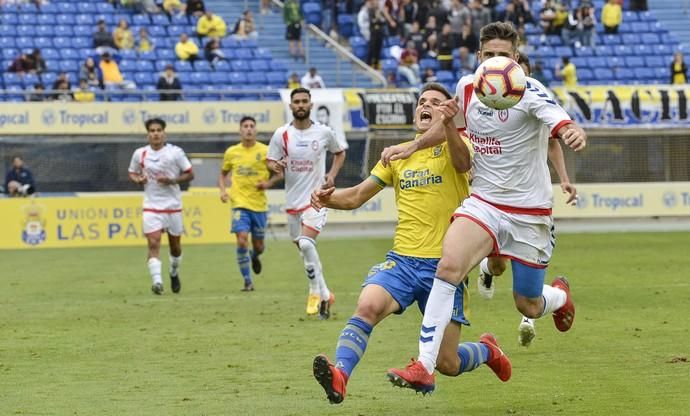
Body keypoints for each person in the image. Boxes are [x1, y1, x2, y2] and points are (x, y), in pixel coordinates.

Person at [381, 21, 586, 393]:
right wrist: (411, 146)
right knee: (449, 267)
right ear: (478, 57)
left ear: (517, 60)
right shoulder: (465, 87)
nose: (494, 63)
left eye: (503, 56)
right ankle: (424, 366)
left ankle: (558, 298)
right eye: (488, 55)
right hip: (485, 202)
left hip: (529, 213)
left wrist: (571, 130)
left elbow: (558, 122)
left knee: (527, 304)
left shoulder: (532, 92)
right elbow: (449, 125)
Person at [311, 83, 511, 404]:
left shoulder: (459, 144)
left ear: (448, 111)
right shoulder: (398, 155)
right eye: (421, 102)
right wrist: (327, 199)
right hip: (402, 261)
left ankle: (488, 350)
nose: (425, 106)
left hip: (446, 267)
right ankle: (340, 375)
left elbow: (462, 165)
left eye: (435, 102)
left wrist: (448, 125)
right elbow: (358, 196)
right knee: (368, 306)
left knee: (448, 363)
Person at [476, 51, 579, 348]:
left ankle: (550, 302)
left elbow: (553, 142)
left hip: (527, 203)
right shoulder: (481, 100)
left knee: (527, 302)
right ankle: (485, 270)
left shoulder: (535, 100)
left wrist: (565, 179)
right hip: (490, 200)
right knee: (496, 266)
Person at [266, 88, 348, 319]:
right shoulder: (281, 134)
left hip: (316, 199)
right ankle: (325, 294)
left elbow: (339, 152)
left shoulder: (323, 132)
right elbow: (270, 160)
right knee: (305, 251)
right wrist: (275, 166)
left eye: (304, 101)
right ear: (291, 106)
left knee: (305, 244)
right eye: (296, 102)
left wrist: (332, 174)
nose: (300, 105)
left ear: (311, 105)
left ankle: (313, 292)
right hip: (292, 200)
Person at [127, 118, 195, 295]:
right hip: (151, 206)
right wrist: (138, 180)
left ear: (164, 133)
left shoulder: (175, 153)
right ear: (147, 134)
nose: (155, 133)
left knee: (175, 247)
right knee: (153, 243)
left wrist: (171, 180)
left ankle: (173, 272)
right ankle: (157, 282)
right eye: (152, 130)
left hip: (173, 206)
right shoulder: (140, 154)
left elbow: (189, 174)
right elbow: (132, 173)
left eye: (158, 130)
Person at [218, 116, 283, 292]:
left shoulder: (265, 151)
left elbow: (279, 173)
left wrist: (268, 184)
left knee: (259, 246)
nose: (248, 129)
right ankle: (247, 281)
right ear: (240, 131)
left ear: (255, 130)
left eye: (251, 126)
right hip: (239, 203)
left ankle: (255, 256)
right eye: (245, 126)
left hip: (259, 205)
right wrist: (223, 190)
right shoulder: (232, 152)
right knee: (241, 241)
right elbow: (223, 174)